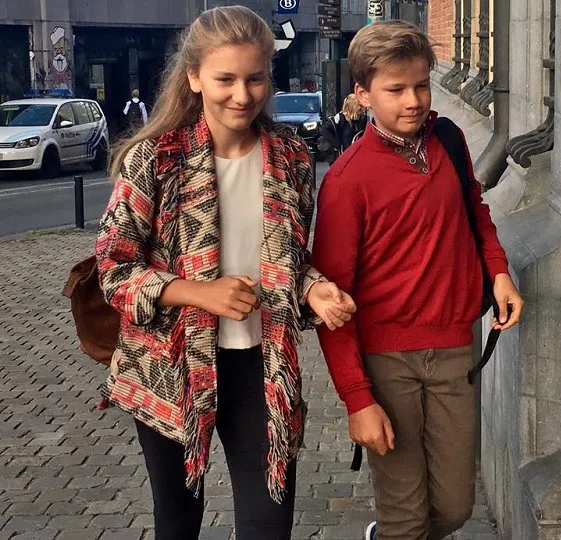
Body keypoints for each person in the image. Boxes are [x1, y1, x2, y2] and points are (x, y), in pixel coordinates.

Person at [96, 6, 355, 540]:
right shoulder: (156, 159)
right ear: (194, 78)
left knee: (268, 524)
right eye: (225, 79)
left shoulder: (291, 157)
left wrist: (315, 290)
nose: (242, 94)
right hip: (167, 367)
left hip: (262, 368)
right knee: (178, 520)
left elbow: (288, 260)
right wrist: (199, 293)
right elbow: (114, 268)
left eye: (255, 78)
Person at [312, 20, 524, 540]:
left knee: (453, 508)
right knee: (406, 518)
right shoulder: (346, 180)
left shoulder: (449, 139)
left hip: (456, 348)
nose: (413, 101)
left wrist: (498, 271)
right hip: (387, 364)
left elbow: (475, 211)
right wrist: (357, 399)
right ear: (361, 93)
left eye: (422, 86)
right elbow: (330, 303)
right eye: (396, 89)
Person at [318, 94, 367, 163]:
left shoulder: (361, 119)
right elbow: (324, 130)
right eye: (360, 108)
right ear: (353, 107)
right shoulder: (339, 118)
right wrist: (336, 144)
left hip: (357, 156)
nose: (362, 111)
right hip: (343, 156)